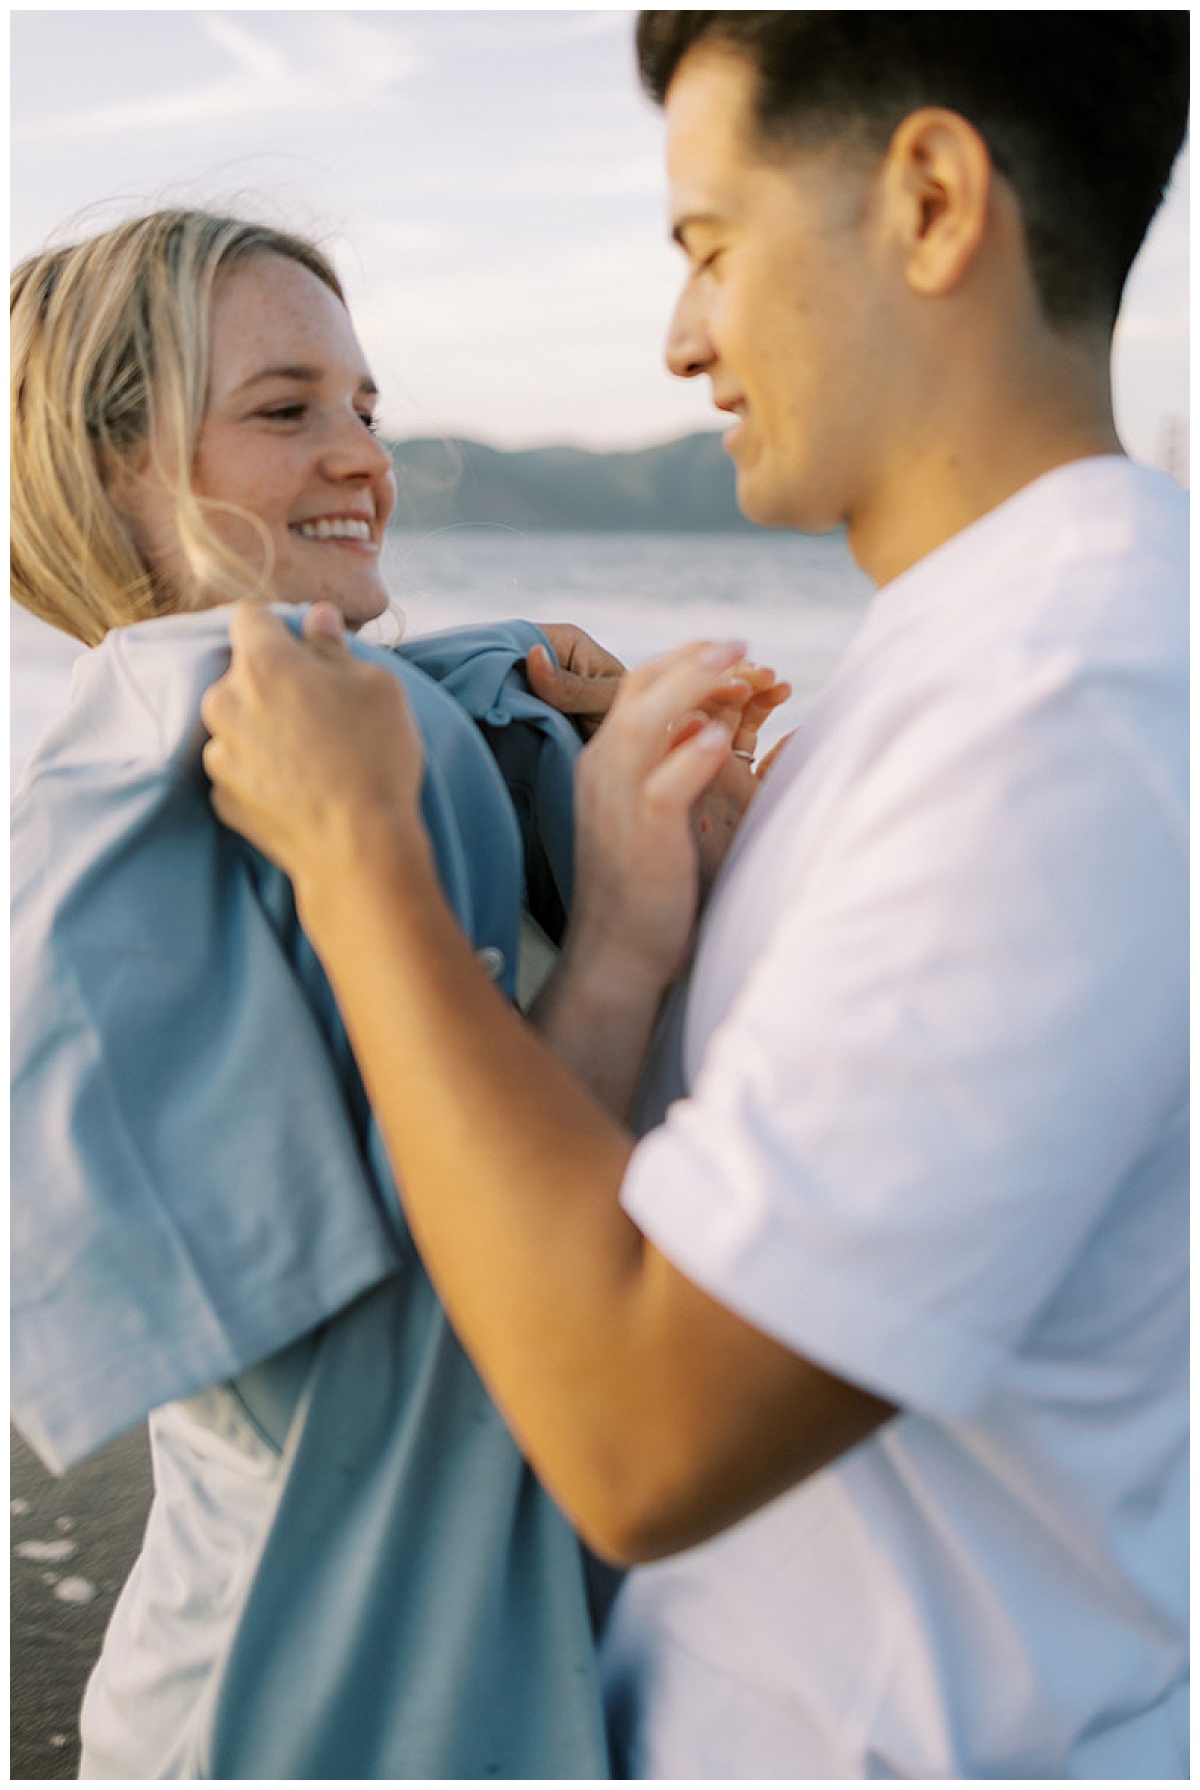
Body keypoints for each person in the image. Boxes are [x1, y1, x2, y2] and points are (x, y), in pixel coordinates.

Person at [201, 11, 1190, 1780]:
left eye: (710, 250)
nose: (678, 338)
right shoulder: (951, 664)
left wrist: (361, 862)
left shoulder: (1070, 699)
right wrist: (670, 907)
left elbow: (643, 1429)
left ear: (936, 200)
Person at [10, 205, 785, 1777]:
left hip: (256, 1666)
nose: (362, 457)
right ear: (111, 466)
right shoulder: (312, 743)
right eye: (286, 410)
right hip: (328, 1705)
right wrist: (630, 922)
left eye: (367, 407)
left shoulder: (173, 765)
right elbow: (455, 1306)